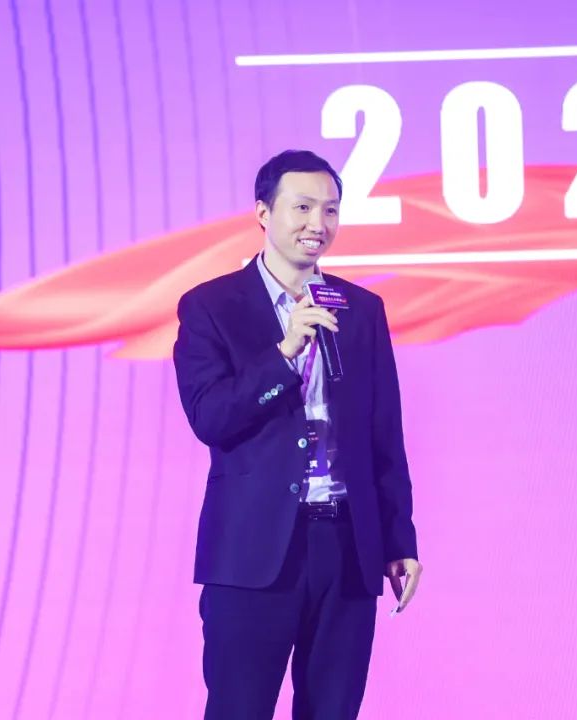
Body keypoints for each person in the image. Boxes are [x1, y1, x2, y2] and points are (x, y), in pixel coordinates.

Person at [173, 149, 422, 719]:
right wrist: (283, 353)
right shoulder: (211, 306)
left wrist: (398, 539)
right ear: (263, 213)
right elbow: (210, 417)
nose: (318, 224)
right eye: (303, 207)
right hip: (254, 552)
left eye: (331, 210)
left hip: (347, 547)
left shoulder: (360, 309)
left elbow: (384, 436)